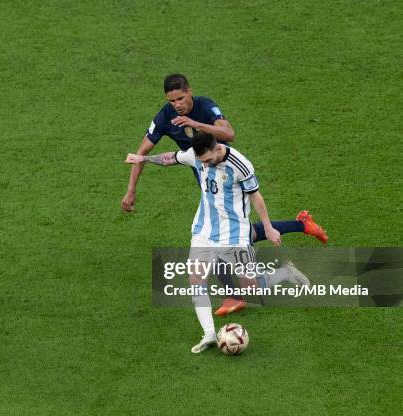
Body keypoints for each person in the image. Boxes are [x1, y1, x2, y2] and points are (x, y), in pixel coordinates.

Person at [121, 73, 327, 316]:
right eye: (171, 100)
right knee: (232, 236)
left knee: (227, 239)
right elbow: (145, 151)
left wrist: (195, 124)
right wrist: (131, 189)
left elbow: (229, 134)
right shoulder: (166, 116)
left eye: (180, 98)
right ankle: (297, 230)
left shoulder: (206, 107)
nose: (177, 104)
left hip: (229, 181)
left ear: (190, 91)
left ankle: (236, 294)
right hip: (209, 184)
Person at [125, 130, 310, 353]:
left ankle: (286, 272)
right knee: (195, 279)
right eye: (202, 162)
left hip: (235, 235)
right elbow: (171, 158)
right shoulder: (197, 155)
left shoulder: (240, 164)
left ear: (217, 148)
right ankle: (209, 334)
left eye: (209, 160)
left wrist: (268, 228)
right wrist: (143, 158)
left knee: (251, 290)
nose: (206, 164)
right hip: (204, 230)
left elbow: (256, 197)